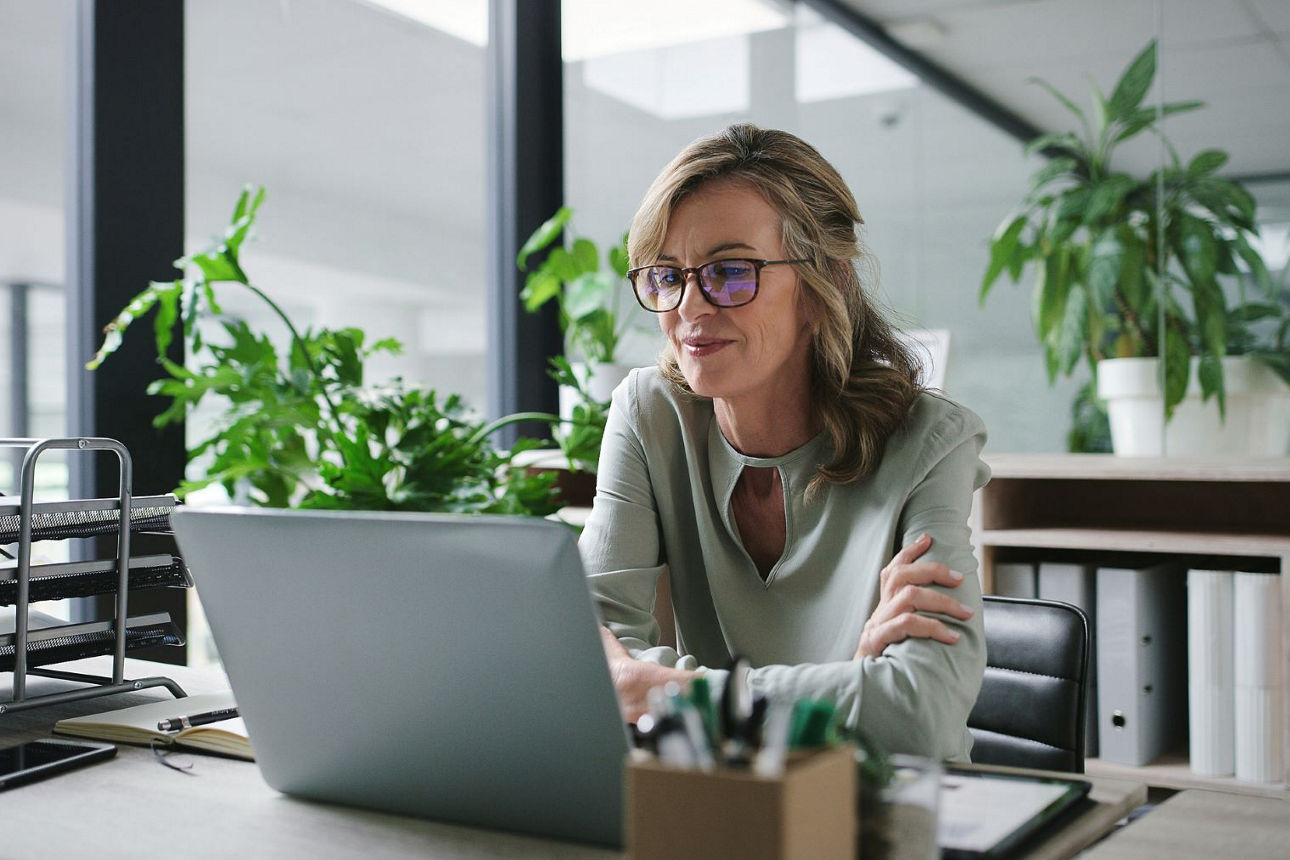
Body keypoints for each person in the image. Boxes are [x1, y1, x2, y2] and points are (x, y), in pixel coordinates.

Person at [579, 123, 988, 761]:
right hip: (716, 809)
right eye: (666, 275)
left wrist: (662, 690)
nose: (690, 306)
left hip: (887, 816)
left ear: (824, 284)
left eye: (730, 272)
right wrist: (847, 687)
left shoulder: (930, 441)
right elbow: (585, 667)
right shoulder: (649, 413)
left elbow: (918, 714)